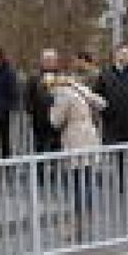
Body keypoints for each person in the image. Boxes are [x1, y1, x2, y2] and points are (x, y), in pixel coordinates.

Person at [47, 73, 107, 241]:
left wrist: (52, 107)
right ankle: (85, 222)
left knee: (76, 183)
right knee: (87, 179)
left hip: (75, 139)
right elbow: (102, 103)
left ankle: (77, 225)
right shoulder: (80, 89)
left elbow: (55, 121)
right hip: (90, 137)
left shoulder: (62, 94)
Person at [94, 44, 128, 145]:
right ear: (116, 55)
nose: (127, 57)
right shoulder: (105, 75)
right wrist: (107, 113)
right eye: (124, 53)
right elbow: (98, 98)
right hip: (112, 127)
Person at [26, 49, 62, 154]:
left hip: (58, 119)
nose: (49, 62)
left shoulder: (61, 77)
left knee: (57, 148)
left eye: (52, 60)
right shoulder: (34, 78)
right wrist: (31, 110)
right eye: (47, 60)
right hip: (40, 120)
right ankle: (40, 170)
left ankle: (56, 169)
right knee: (40, 148)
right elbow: (28, 96)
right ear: (42, 61)